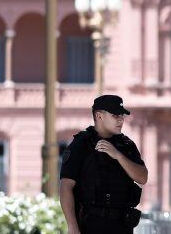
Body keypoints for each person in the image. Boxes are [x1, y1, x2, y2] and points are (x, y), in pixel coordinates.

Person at [59, 95, 148, 234]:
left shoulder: (126, 145)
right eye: (115, 116)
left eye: (122, 116)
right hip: (91, 224)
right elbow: (65, 187)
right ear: (99, 116)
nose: (120, 120)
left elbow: (143, 177)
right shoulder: (81, 144)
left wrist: (118, 155)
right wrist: (72, 226)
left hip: (122, 225)